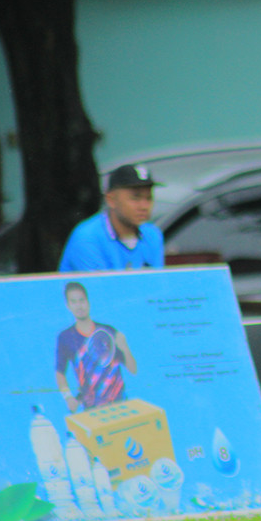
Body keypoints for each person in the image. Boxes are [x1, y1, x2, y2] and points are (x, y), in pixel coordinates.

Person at [59, 164, 165, 271]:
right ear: (111, 200)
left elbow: (156, 284)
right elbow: (99, 287)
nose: (144, 206)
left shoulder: (152, 234)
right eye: (135, 198)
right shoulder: (87, 237)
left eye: (149, 198)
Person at [55, 281, 137, 412]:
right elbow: (60, 373)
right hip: (92, 410)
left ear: (88, 302)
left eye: (81, 300)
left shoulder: (109, 332)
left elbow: (133, 369)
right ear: (68, 306)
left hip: (120, 405)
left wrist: (125, 348)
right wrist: (68, 398)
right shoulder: (65, 338)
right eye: (73, 302)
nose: (79, 306)